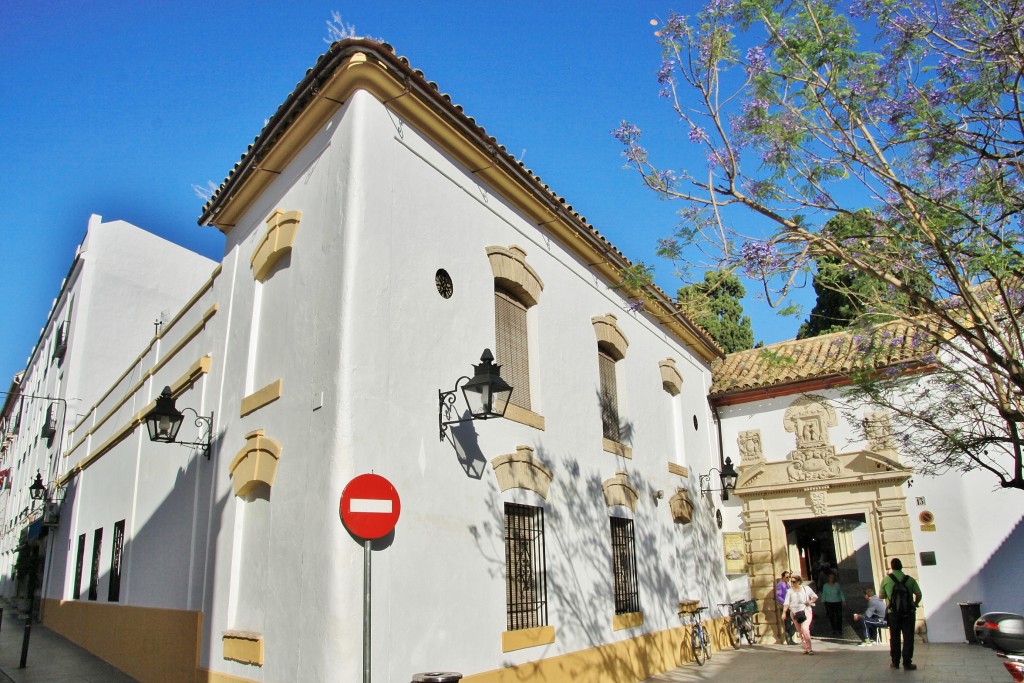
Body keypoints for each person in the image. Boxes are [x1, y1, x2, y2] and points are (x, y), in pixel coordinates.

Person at [880, 558, 923, 670]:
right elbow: (919, 594)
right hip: (908, 613)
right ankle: (907, 663)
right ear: (901, 566)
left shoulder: (886, 580)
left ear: (892, 567)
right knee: (908, 637)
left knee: (894, 637)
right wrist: (915, 603)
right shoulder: (910, 580)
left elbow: (881, 596)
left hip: (893, 613)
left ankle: (895, 662)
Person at [782, 574, 818, 654]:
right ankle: (805, 647)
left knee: (804, 629)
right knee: (799, 630)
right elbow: (786, 603)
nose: (792, 583)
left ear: (799, 582)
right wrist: (784, 613)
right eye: (791, 582)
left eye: (794, 582)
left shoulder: (806, 588)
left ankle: (809, 648)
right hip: (795, 613)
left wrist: (810, 601)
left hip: (805, 611)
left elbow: (814, 597)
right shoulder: (790, 591)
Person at [820, 572, 846, 636]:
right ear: (828, 578)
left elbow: (840, 593)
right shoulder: (825, 585)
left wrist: (843, 600)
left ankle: (839, 629)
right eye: (830, 577)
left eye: (832, 577)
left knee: (839, 616)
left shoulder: (837, 585)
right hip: (829, 603)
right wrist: (823, 601)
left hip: (837, 602)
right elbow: (824, 594)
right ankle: (834, 629)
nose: (831, 579)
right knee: (831, 616)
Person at [775, 570, 796, 645]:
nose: (788, 578)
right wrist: (785, 604)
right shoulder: (780, 585)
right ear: (783, 577)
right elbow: (778, 596)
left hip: (791, 606)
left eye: (789, 577)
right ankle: (789, 639)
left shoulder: (787, 585)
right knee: (788, 622)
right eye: (787, 577)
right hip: (786, 607)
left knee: (795, 621)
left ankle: (789, 636)